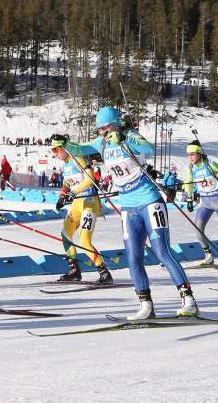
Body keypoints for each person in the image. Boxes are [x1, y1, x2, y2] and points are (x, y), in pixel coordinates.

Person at [67, 106, 198, 320]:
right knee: (133, 257)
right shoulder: (101, 143)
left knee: (161, 252)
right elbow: (80, 149)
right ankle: (145, 304)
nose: (102, 132)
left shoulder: (129, 136)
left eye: (105, 128)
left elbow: (149, 148)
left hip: (149, 202)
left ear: (115, 124)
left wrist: (124, 139)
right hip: (128, 207)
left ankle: (188, 299)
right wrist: (65, 144)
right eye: (99, 129)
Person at [49, 135, 114, 285]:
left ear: (64, 148)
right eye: (53, 150)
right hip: (77, 205)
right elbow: (67, 181)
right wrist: (62, 196)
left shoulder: (78, 158)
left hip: (89, 203)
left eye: (56, 149)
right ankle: (74, 270)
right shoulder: (65, 164)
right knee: (65, 234)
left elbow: (89, 178)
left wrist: (72, 193)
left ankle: (104, 272)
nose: (54, 153)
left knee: (84, 241)